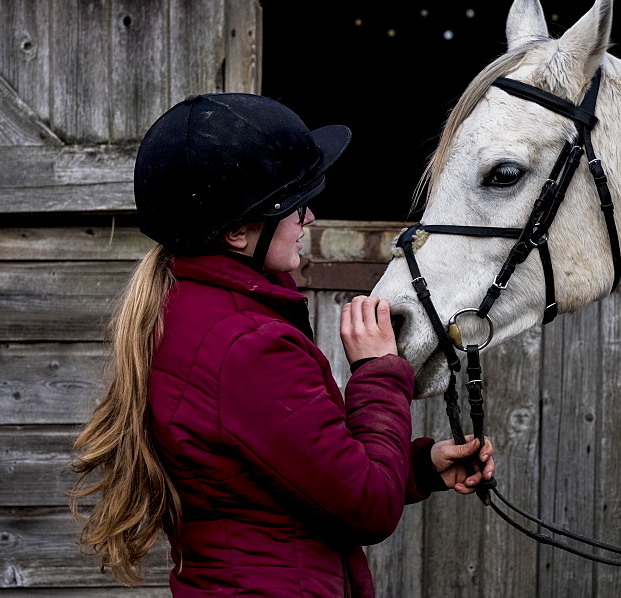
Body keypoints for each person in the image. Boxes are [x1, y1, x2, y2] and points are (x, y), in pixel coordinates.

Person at [69, 93, 495, 596]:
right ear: (235, 232)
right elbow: (367, 507)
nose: (309, 217)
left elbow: (286, 479)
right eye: (293, 205)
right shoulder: (248, 346)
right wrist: (378, 371)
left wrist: (420, 466)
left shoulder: (188, 310)